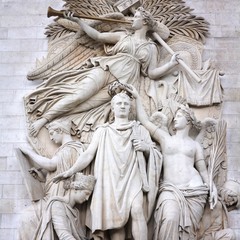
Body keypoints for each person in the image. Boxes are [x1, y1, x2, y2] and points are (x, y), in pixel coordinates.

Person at [27, 7, 179, 137]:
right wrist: (78, 21)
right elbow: (98, 36)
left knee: (87, 105)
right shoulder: (123, 36)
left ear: (145, 22)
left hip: (121, 84)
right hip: (106, 69)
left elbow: (151, 73)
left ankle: (56, 120)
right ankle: (43, 119)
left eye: (136, 17)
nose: (132, 19)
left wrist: (171, 64)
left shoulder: (151, 47)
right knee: (79, 95)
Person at [53, 91, 162, 240]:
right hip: (110, 178)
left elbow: (155, 154)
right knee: (115, 222)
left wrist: (146, 147)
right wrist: (70, 171)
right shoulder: (102, 131)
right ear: (112, 108)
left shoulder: (139, 129)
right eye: (119, 103)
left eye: (126, 104)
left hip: (133, 175)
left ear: (130, 108)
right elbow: (88, 154)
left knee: (137, 209)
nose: (122, 106)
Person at [126, 85, 218, 240]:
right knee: (169, 218)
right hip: (170, 189)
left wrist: (213, 187)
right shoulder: (165, 138)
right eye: (175, 115)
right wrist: (136, 98)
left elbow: (203, 171)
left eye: (179, 116)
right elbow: (145, 121)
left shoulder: (195, 145)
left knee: (187, 234)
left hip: (194, 191)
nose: (175, 118)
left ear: (188, 120)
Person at [18, 119, 85, 240]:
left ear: (60, 131)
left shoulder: (70, 149)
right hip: (56, 195)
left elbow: (51, 165)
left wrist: (29, 152)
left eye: (52, 133)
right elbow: (59, 174)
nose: (51, 138)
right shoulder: (69, 149)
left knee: (27, 218)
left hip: (57, 199)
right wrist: (44, 179)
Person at [33, 173, 96, 240]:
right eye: (86, 194)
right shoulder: (57, 205)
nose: (87, 198)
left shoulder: (76, 212)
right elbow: (63, 234)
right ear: (75, 189)